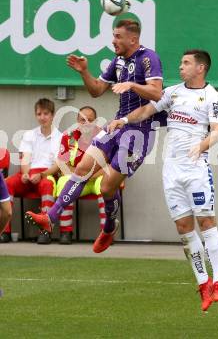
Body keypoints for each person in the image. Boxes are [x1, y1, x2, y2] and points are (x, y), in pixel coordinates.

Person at [26, 19, 164, 253]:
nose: (113, 41)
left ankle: (110, 227)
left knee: (107, 188)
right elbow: (97, 90)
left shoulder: (148, 57)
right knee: (81, 168)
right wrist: (84, 72)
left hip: (140, 132)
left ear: (133, 39)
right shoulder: (118, 61)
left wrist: (132, 85)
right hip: (116, 125)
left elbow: (156, 92)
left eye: (118, 36)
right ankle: (50, 218)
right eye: (113, 35)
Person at [107, 50, 218, 311]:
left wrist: (202, 145)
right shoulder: (172, 93)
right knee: (184, 229)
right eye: (181, 61)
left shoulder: (212, 97)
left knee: (206, 222)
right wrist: (124, 120)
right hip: (171, 171)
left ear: (201, 68)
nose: (181, 66)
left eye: (186, 63)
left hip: (196, 169)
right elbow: (147, 110)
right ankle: (203, 285)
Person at [3, 98, 61, 244]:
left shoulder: (61, 137)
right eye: (39, 114)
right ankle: (4, 230)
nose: (42, 117)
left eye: (46, 113)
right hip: (28, 172)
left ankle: (45, 232)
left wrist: (41, 175)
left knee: (47, 185)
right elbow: (25, 158)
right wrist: (25, 173)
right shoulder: (29, 134)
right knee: (7, 183)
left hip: (46, 174)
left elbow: (58, 165)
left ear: (52, 115)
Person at [54, 106, 106, 244]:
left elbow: (109, 167)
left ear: (96, 121)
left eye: (90, 120)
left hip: (96, 178)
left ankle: (105, 232)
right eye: (82, 120)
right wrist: (80, 175)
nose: (86, 123)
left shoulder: (104, 137)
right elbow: (63, 164)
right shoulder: (68, 136)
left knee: (105, 184)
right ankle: (66, 232)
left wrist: (88, 175)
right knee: (64, 182)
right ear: (77, 121)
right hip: (77, 179)